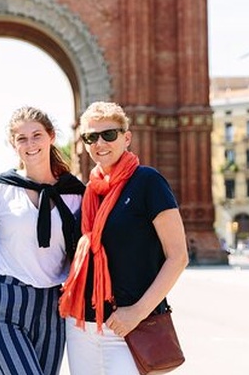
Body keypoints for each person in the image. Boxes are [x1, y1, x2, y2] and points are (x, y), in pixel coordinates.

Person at [59, 101, 189, 375]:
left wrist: (138, 312)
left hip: (130, 326)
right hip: (82, 326)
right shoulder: (88, 193)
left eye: (109, 134)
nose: (99, 143)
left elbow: (178, 256)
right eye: (90, 137)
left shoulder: (147, 182)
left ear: (126, 137)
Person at [0, 106, 85, 375]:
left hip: (52, 306)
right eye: (21, 138)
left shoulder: (75, 194)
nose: (30, 144)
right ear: (13, 145)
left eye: (36, 135)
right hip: (3, 303)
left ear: (51, 136)